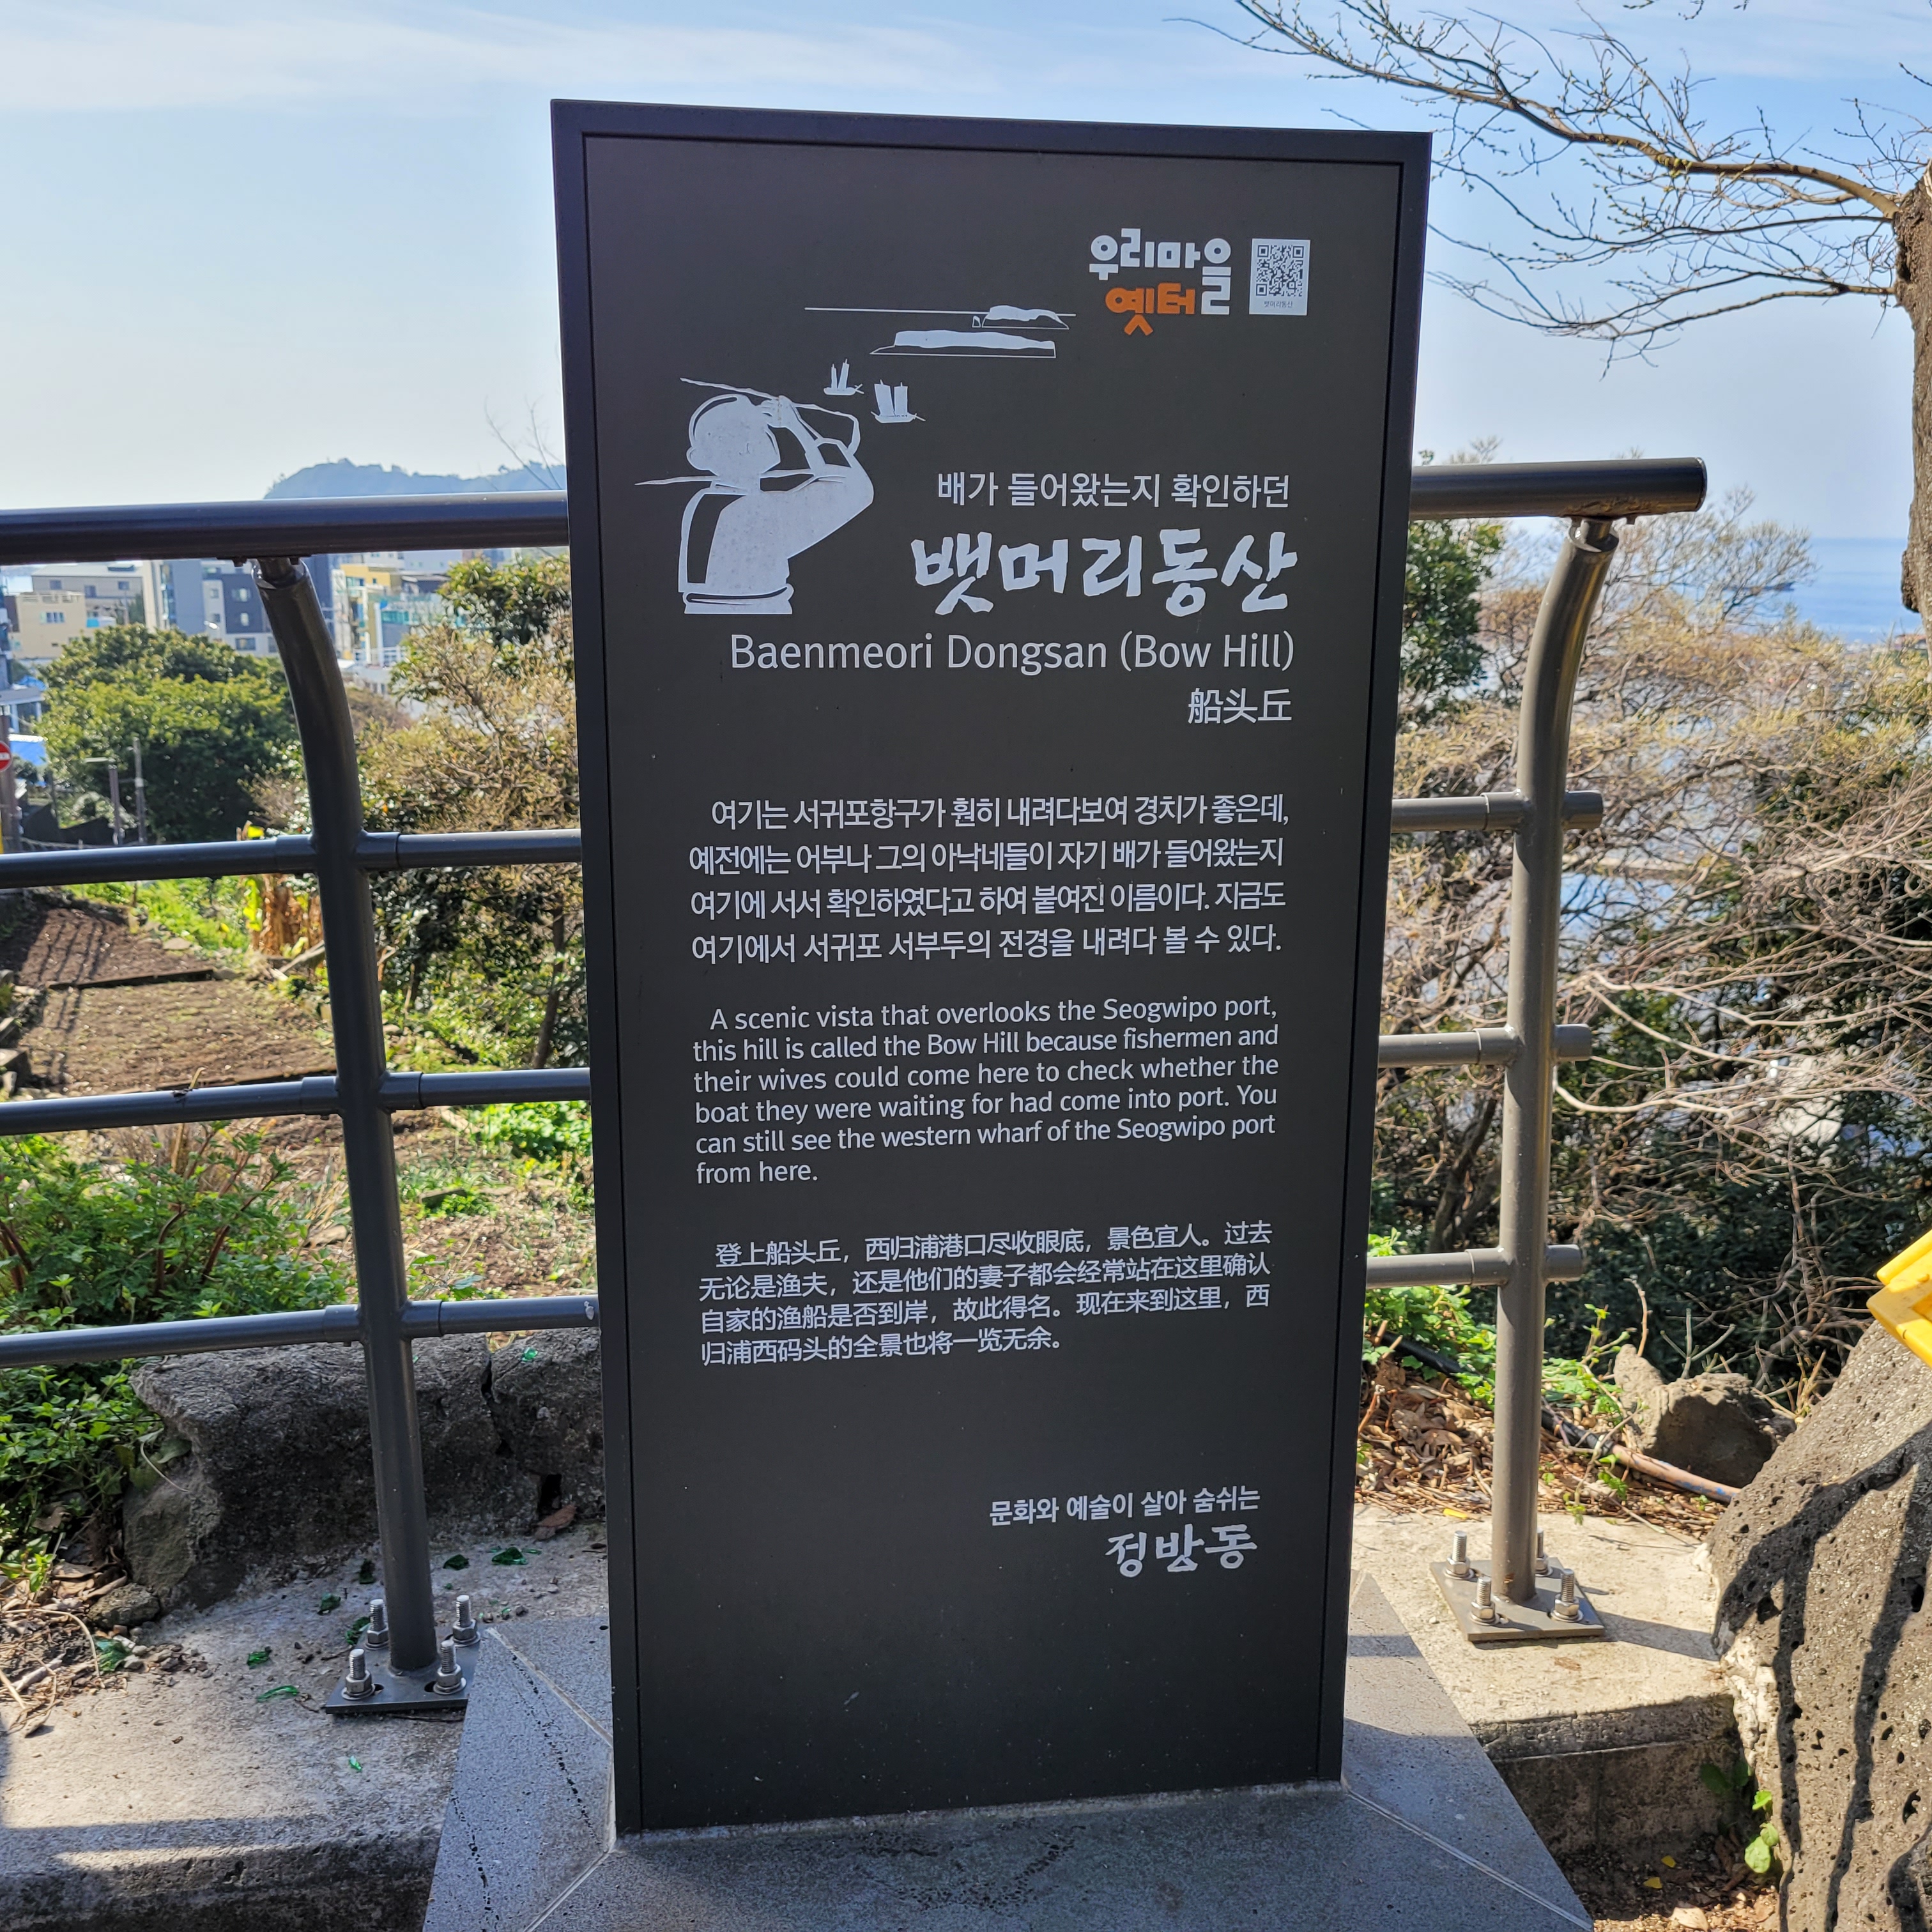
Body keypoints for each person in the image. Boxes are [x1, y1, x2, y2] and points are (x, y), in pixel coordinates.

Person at [671, 389, 873, 615]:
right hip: (759, 615)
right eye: (761, 429)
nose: (769, 434)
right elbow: (854, 490)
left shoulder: (704, 502)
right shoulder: (756, 510)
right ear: (748, 446)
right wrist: (797, 426)